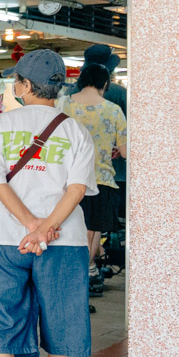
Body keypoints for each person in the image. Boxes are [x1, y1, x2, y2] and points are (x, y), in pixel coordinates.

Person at [0, 50, 97, 357]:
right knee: (65, 314)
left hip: (3, 239)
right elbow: (77, 189)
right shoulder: (76, 131)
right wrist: (45, 228)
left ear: (26, 86)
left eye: (16, 80)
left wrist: (29, 224)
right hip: (64, 240)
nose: (14, 86)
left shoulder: (0, 125)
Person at [63, 63, 127, 298]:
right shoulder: (113, 110)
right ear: (105, 84)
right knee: (93, 229)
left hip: (68, 179)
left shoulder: (64, 104)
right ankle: (88, 270)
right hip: (101, 178)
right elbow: (126, 150)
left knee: (71, 228)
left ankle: (74, 274)